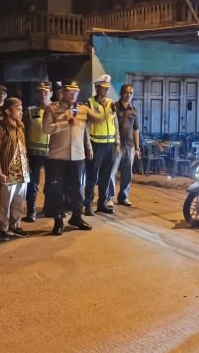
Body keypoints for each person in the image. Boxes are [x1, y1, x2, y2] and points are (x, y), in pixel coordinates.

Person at [42, 79, 94, 236]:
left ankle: (76, 217)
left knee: (77, 189)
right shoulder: (52, 108)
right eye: (70, 92)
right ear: (62, 93)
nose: (73, 95)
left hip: (78, 156)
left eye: (76, 92)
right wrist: (65, 123)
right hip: (57, 157)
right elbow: (46, 129)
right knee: (57, 190)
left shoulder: (82, 109)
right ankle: (58, 221)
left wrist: (88, 146)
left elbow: (84, 130)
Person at [0, 97, 30, 239]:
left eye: (21, 109)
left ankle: (16, 226)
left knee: (19, 200)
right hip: (8, 170)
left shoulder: (20, 125)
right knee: (5, 202)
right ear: (8, 111)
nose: (21, 112)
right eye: (17, 109)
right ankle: (3, 229)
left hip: (22, 169)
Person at [84, 74, 119, 215]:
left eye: (107, 88)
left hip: (109, 145)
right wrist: (88, 145)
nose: (105, 90)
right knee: (92, 177)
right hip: (95, 145)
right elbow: (85, 126)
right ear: (97, 88)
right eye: (103, 88)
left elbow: (115, 123)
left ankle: (102, 203)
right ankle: (87, 205)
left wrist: (117, 141)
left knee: (106, 176)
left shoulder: (112, 104)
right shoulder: (89, 103)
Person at [23, 80, 52, 222]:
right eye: (40, 91)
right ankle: (31, 211)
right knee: (32, 184)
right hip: (34, 153)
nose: (42, 94)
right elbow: (23, 132)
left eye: (45, 91)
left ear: (51, 93)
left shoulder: (56, 110)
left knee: (52, 183)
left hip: (52, 154)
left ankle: (49, 208)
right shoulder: (30, 111)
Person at [110, 83, 141, 207]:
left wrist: (137, 148)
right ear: (121, 93)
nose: (129, 95)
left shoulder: (134, 110)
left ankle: (123, 197)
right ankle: (109, 198)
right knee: (112, 171)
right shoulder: (114, 107)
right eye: (126, 92)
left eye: (131, 93)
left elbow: (136, 129)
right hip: (116, 145)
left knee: (127, 173)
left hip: (130, 146)